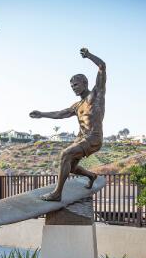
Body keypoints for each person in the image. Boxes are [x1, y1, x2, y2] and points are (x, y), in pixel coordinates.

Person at [29, 47, 107, 201]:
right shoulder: (77, 106)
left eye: (76, 85)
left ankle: (57, 194)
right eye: (72, 86)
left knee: (65, 154)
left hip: (94, 137)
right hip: (82, 138)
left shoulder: (96, 94)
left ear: (84, 83)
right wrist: (42, 114)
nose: (73, 88)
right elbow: (60, 114)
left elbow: (102, 66)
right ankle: (91, 176)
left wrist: (89, 56)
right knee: (70, 167)